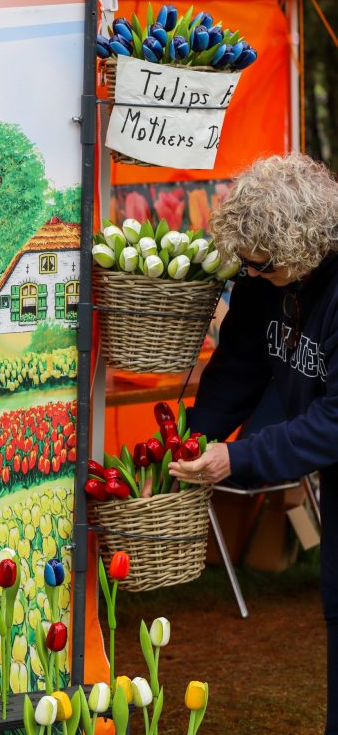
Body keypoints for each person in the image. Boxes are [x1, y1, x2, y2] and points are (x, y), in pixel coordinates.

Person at [168, 152, 338, 733]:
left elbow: (335, 421)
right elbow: (238, 364)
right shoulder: (263, 278)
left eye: (262, 266)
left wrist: (236, 458)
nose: (252, 276)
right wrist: (198, 439)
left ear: (302, 251)